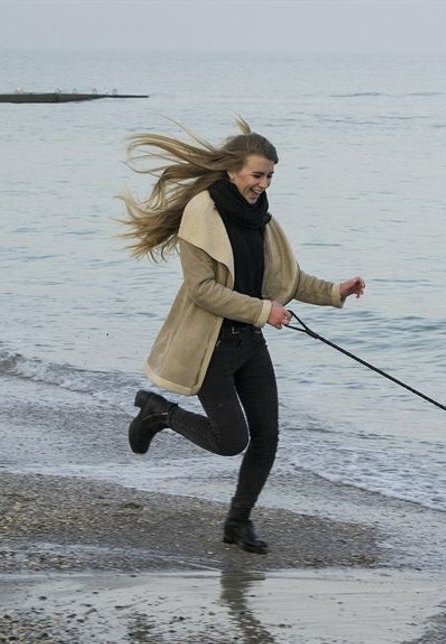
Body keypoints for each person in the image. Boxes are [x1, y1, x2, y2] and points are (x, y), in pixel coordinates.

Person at [119, 118, 365, 554]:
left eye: (270, 176)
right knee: (231, 441)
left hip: (249, 344)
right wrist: (262, 310)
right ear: (233, 170)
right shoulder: (201, 215)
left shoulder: (261, 219)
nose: (263, 184)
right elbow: (202, 290)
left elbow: (286, 279)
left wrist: (334, 291)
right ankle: (159, 414)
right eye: (257, 175)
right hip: (210, 347)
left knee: (267, 437)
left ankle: (238, 522)